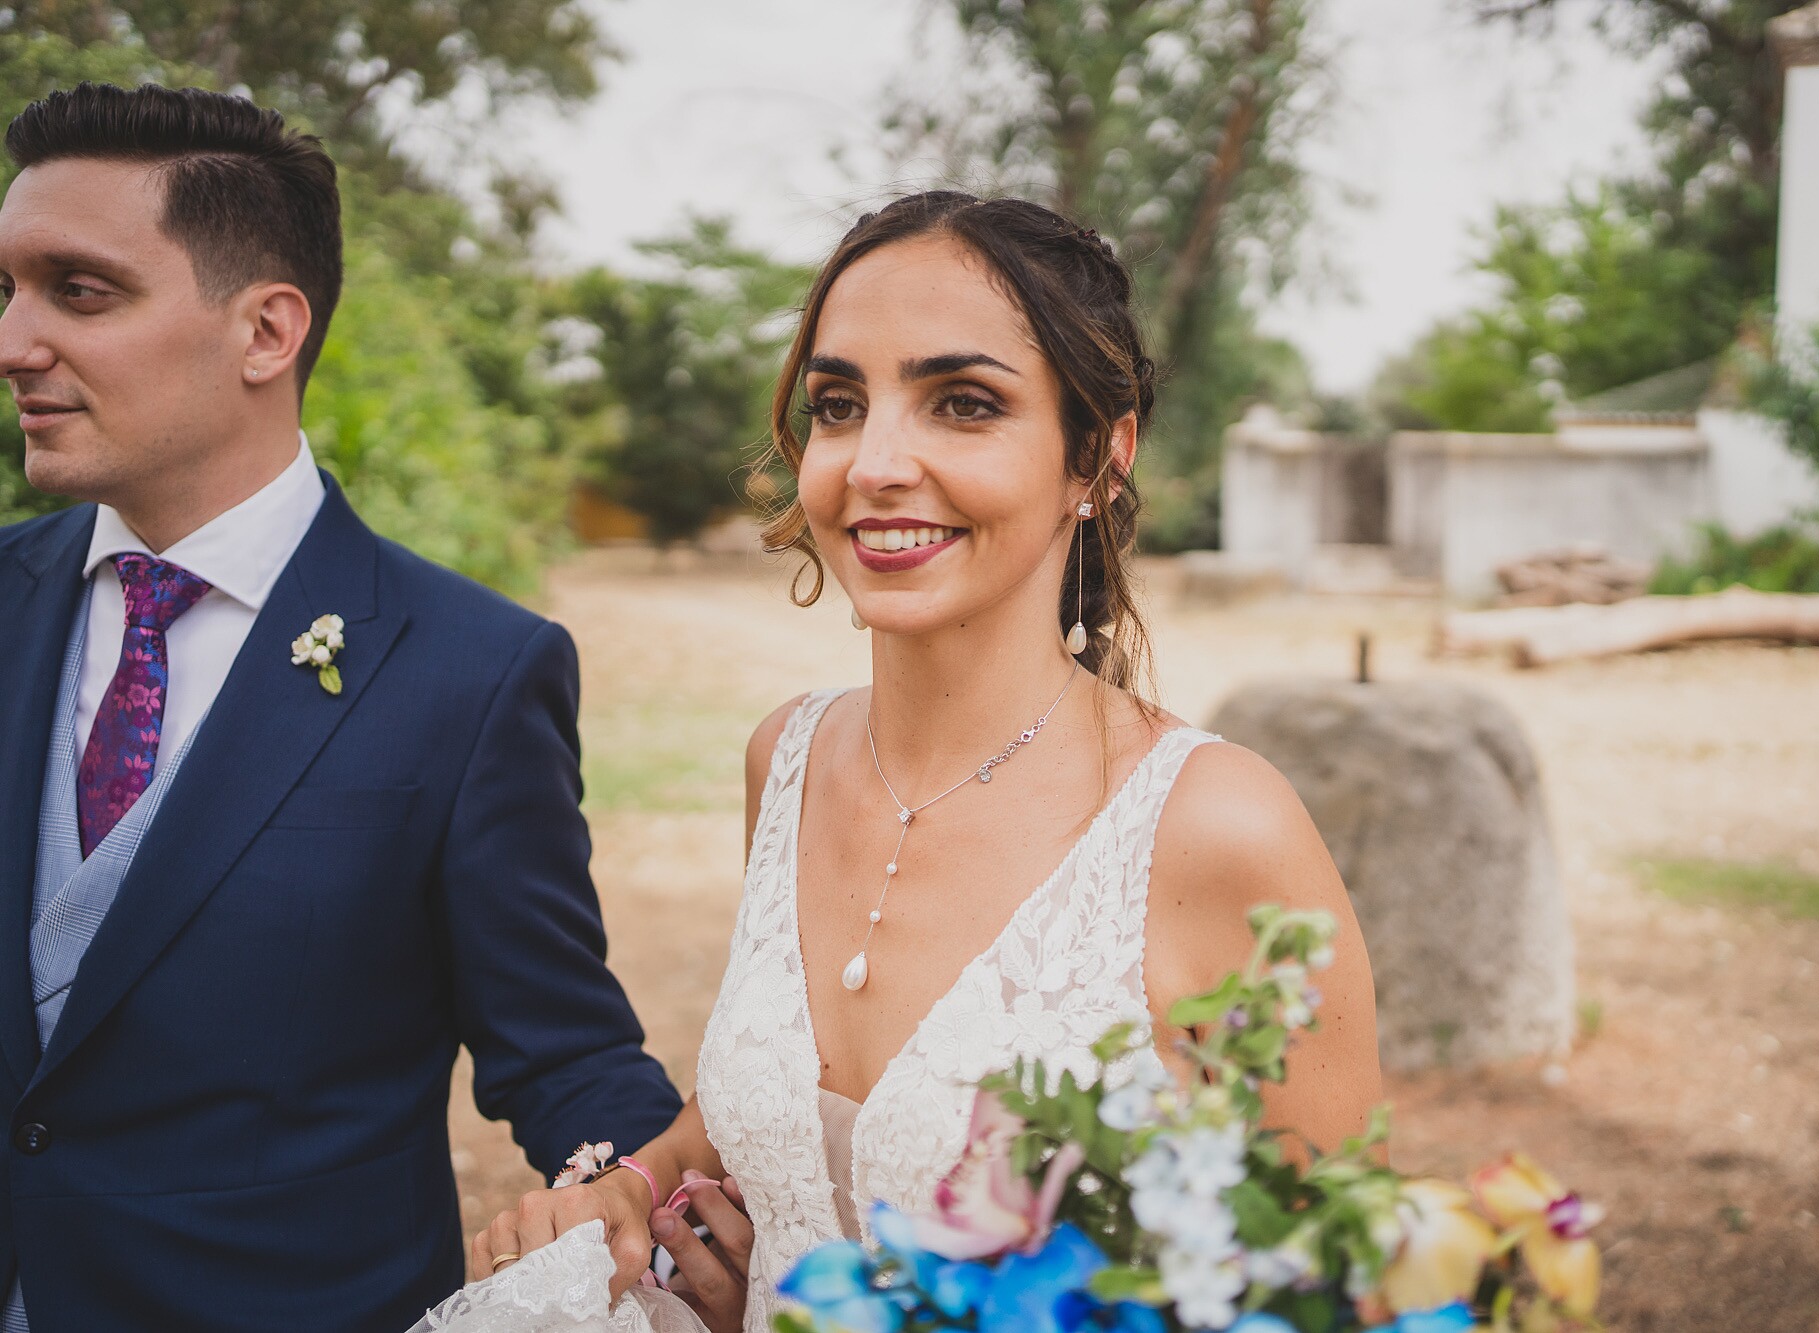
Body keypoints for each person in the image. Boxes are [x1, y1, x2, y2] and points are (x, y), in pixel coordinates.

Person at [449, 192, 1382, 1332]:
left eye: (963, 403)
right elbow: (773, 1114)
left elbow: (1336, 1289)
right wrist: (633, 1184)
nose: (874, 462)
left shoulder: (1213, 828)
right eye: (839, 404)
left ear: (1097, 455)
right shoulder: (785, 759)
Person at [0, 83, 682, 1330]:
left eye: (78, 292)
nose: (13, 341)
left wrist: (651, 1198)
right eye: (9, 290)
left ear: (266, 331)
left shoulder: (472, 672)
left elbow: (564, 1051)